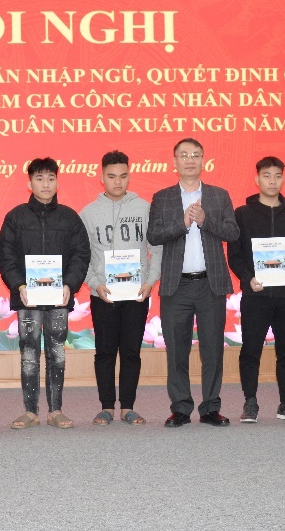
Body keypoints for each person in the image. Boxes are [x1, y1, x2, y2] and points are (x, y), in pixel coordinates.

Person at [149, 138, 239, 428]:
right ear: (174, 162)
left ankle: (211, 408)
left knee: (212, 350)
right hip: (177, 285)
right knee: (177, 350)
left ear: (203, 160)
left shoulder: (219, 195)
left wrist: (204, 220)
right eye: (184, 155)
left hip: (210, 285)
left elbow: (232, 233)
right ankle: (180, 408)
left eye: (195, 155)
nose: (190, 160)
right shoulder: (162, 198)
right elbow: (154, 235)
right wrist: (183, 223)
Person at [0, 157, 90, 429]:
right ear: (30, 183)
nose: (45, 184)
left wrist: (69, 284)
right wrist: (19, 285)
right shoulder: (15, 217)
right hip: (27, 298)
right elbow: (5, 256)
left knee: (57, 352)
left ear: (57, 182)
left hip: (59, 298)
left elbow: (81, 255)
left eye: (50, 178)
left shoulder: (70, 218)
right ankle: (30, 411)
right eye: (39, 179)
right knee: (28, 353)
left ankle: (55, 410)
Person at [80, 151, 162, 426]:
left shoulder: (144, 208)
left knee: (131, 352)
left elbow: (156, 250)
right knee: (104, 353)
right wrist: (95, 284)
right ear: (101, 177)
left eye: (123, 176)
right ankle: (106, 407)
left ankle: (127, 407)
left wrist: (150, 282)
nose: (118, 182)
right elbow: (82, 256)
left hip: (137, 294)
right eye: (112, 176)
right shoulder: (88, 213)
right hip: (103, 294)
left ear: (129, 176)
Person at [229, 156, 285, 423]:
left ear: (283, 179)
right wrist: (247, 278)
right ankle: (250, 401)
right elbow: (235, 255)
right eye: (266, 175)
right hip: (256, 295)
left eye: (277, 176)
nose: (272, 181)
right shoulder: (242, 214)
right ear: (257, 179)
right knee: (251, 350)